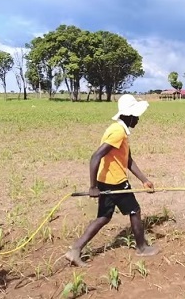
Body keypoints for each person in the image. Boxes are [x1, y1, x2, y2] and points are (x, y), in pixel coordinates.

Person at [65, 94, 157, 266]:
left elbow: (127, 159)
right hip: (116, 181)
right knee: (134, 210)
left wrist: (144, 180)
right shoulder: (117, 132)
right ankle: (142, 247)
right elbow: (95, 157)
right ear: (129, 116)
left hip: (106, 180)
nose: (138, 119)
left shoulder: (120, 131)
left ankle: (75, 249)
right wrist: (92, 187)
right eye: (136, 116)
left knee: (104, 217)